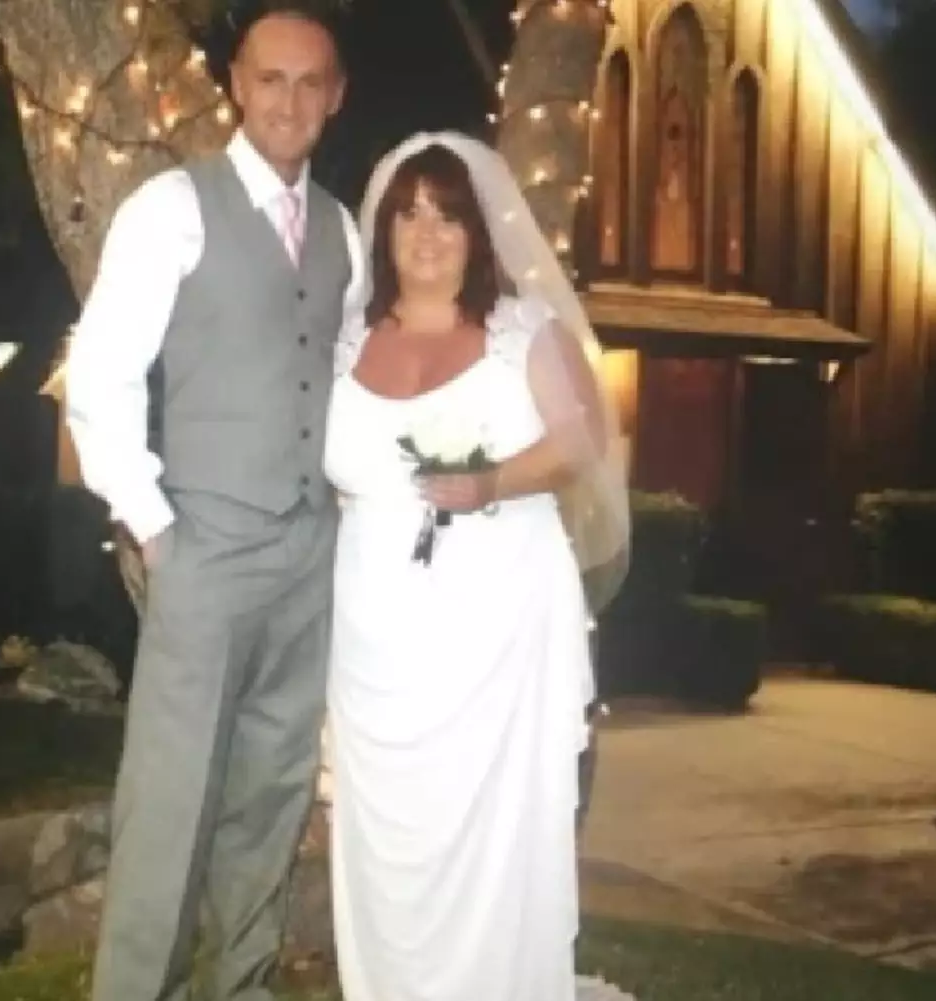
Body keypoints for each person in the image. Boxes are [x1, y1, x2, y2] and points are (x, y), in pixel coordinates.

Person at [62, 3, 366, 999]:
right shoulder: (171, 207)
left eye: (310, 82)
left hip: (311, 551)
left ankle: (240, 986)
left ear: (335, 96)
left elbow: (345, 370)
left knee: (272, 796)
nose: (289, 101)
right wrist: (154, 527)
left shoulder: (344, 229)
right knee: (170, 804)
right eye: (270, 78)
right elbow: (102, 376)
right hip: (204, 546)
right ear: (237, 83)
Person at [322, 132, 632, 1000]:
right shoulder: (341, 343)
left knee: (493, 824)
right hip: (374, 628)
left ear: (477, 232)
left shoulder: (522, 332)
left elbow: (580, 440)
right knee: (386, 828)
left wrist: (491, 480)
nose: (427, 235)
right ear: (383, 230)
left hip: (499, 623)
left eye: (447, 217)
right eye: (410, 215)